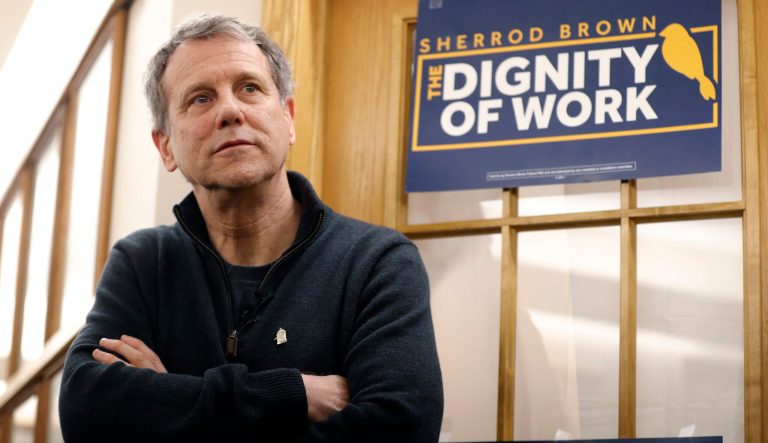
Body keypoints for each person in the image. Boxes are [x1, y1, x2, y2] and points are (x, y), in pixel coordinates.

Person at [59, 13, 443, 443]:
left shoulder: (377, 262)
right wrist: (289, 394)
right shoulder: (142, 262)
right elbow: (85, 408)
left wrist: (171, 405)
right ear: (166, 147)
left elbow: (402, 426)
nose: (230, 111)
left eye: (250, 88)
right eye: (200, 98)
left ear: (288, 118)